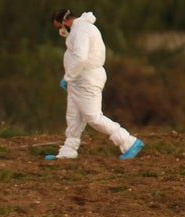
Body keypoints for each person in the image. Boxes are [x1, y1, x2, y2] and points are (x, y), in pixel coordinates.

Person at [46, 9, 144, 160]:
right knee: (74, 116)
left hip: (86, 79)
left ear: (65, 22)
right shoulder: (82, 29)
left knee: (93, 117)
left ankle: (128, 141)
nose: (61, 30)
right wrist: (71, 78)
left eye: (60, 26)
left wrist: (68, 76)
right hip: (78, 80)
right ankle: (68, 151)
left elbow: (80, 57)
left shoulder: (81, 30)